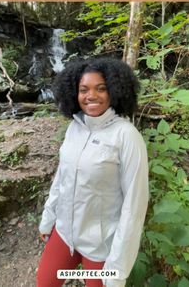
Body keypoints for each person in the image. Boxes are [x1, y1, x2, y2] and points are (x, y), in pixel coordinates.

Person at [37, 57, 149, 287]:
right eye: (83, 89)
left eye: (101, 88)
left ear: (114, 91)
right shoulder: (74, 127)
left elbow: (134, 206)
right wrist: (48, 219)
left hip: (101, 244)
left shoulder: (126, 136)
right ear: (74, 93)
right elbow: (62, 178)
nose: (91, 96)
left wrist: (117, 269)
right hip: (64, 232)